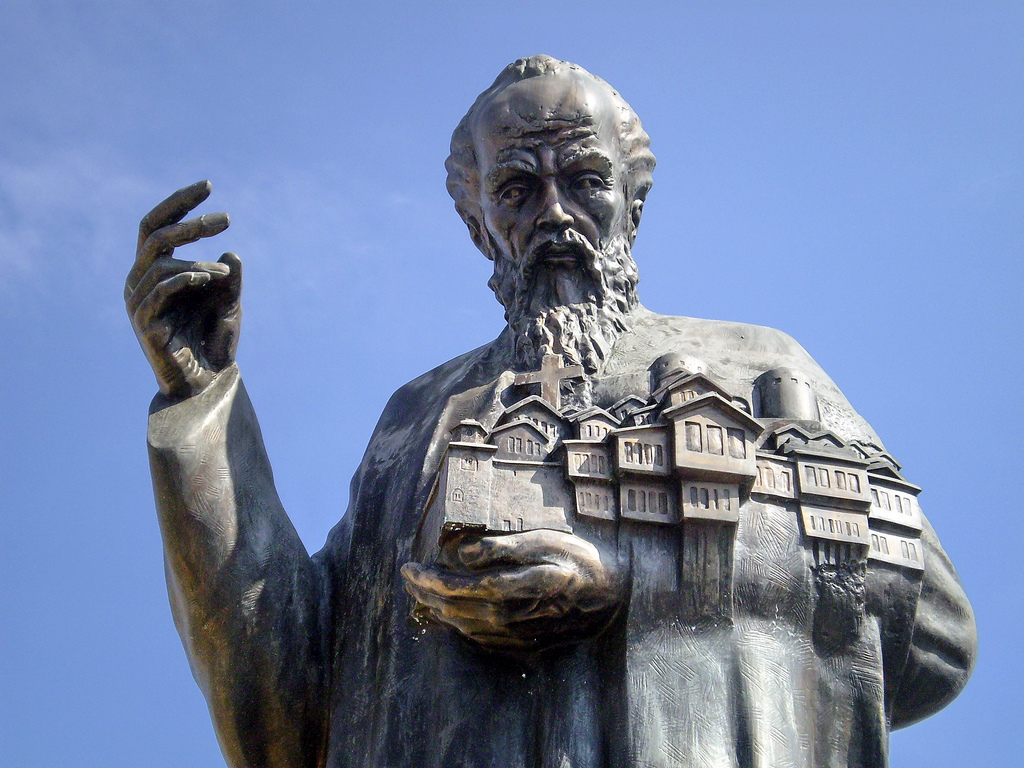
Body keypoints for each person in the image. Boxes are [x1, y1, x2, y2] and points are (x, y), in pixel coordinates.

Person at [125, 56, 975, 768]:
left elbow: (931, 629)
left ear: (634, 203)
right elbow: (292, 712)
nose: (555, 214)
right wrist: (201, 403)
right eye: (518, 188)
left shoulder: (756, 369)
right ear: (478, 225)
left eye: (586, 180)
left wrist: (635, 579)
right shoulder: (419, 418)